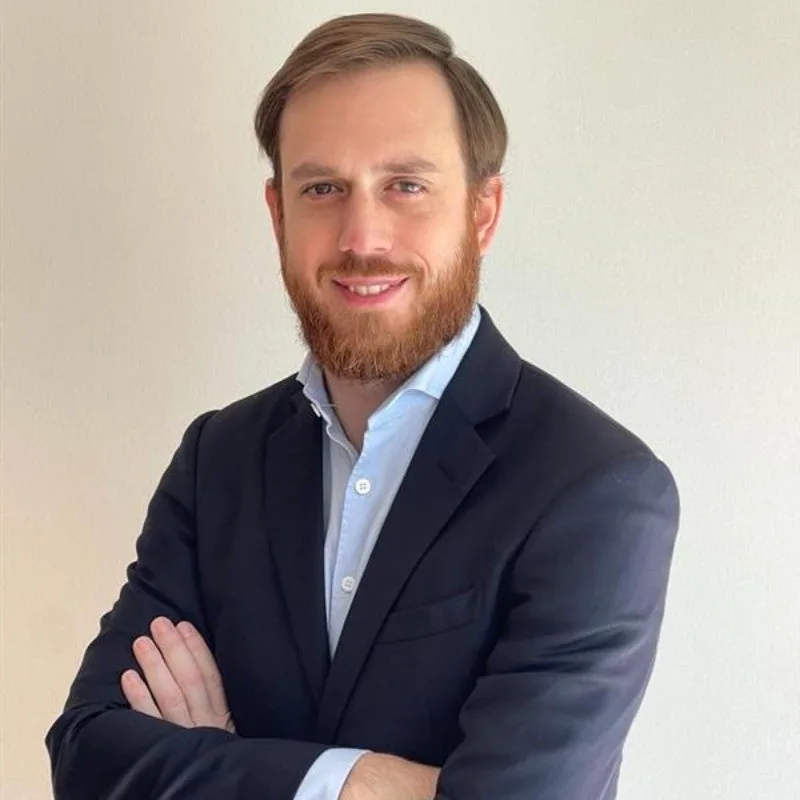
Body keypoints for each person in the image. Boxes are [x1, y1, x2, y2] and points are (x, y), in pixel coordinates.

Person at [45, 12, 679, 800]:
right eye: (323, 188)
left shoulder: (596, 489)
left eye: (405, 185)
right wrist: (361, 783)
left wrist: (218, 763)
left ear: (482, 212)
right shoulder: (218, 460)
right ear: (279, 214)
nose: (361, 236)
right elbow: (87, 755)